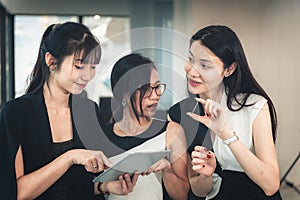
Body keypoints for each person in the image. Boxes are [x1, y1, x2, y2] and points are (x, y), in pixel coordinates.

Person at [0, 22, 138, 200]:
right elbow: (15, 193)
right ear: (51, 61)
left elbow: (81, 184)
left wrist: (105, 186)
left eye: (93, 66)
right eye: (79, 66)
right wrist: (70, 157)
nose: (88, 76)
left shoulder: (89, 111)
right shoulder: (16, 113)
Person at [170, 25, 282, 200]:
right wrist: (206, 175)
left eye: (204, 65)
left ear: (229, 69)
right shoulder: (183, 113)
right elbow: (198, 190)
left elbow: (271, 185)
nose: (192, 71)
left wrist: (225, 134)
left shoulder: (255, 106)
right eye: (191, 60)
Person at [98, 53, 189, 200]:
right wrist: (104, 186)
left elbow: (182, 196)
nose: (156, 95)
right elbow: (84, 188)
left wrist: (167, 168)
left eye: (157, 86)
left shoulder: (171, 131)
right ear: (123, 94)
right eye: (147, 88)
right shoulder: (102, 136)